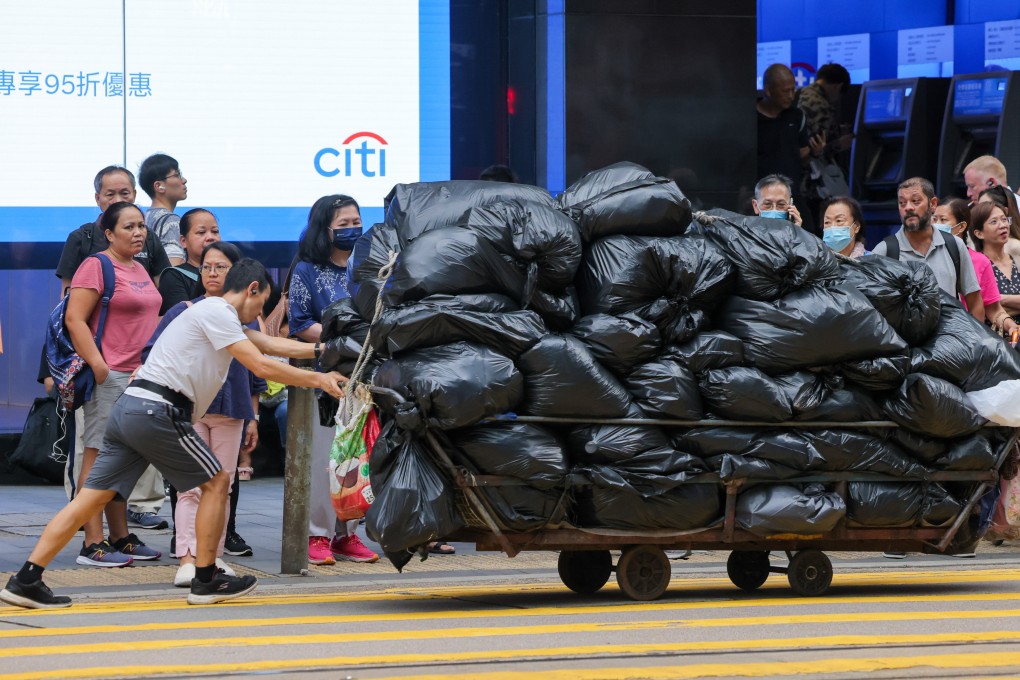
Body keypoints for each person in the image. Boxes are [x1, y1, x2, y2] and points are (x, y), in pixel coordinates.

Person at [0, 259, 347, 609]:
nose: (260, 312)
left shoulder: (216, 316)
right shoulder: (218, 313)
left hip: (131, 408)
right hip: (158, 411)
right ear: (252, 289)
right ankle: (207, 578)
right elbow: (259, 364)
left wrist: (326, 351)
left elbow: (271, 346)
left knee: (90, 499)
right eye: (261, 303)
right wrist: (320, 379)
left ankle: (26, 579)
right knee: (215, 482)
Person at [54, 165, 171, 531]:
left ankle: (120, 537)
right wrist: (99, 365)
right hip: (110, 376)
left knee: (127, 459)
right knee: (98, 457)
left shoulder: (138, 268)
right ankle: (92, 542)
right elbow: (74, 319)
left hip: (141, 375)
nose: (138, 233)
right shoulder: (96, 264)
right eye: (128, 227)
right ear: (108, 232)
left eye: (141, 226)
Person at [145, 242, 266, 587]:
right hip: (192, 409)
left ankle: (212, 558)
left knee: (223, 485)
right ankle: (186, 557)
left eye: (221, 267)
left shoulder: (247, 315)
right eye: (207, 267)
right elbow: (153, 354)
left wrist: (254, 416)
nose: (212, 273)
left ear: (237, 274)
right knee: (190, 487)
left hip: (233, 410)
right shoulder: (183, 310)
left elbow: (256, 375)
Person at [288, 195, 381, 565]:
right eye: (342, 224)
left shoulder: (368, 266)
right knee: (324, 456)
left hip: (363, 376)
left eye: (355, 221)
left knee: (356, 455)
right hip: (322, 375)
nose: (351, 229)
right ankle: (317, 534)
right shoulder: (306, 269)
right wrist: (339, 343)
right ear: (324, 227)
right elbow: (299, 324)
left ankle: (348, 533)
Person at [871, 177, 982, 314]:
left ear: (933, 204)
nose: (908, 207)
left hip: (951, 332)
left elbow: (975, 301)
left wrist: (972, 335)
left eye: (915, 201)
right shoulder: (885, 251)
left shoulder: (954, 245)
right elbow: (872, 308)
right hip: (901, 335)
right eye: (902, 203)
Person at [934, 198, 1018, 334]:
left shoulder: (979, 261)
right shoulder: (925, 256)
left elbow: (993, 309)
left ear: (961, 227)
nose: (936, 225)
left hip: (966, 337)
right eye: (934, 219)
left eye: (943, 220)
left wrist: (1011, 326)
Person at [757, 64, 821, 234]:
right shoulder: (751, 117)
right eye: (786, 91)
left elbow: (800, 155)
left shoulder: (796, 116)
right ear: (769, 90)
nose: (791, 96)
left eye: (793, 90)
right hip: (763, 196)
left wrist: (814, 151)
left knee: (808, 236)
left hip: (792, 193)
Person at [157, 209, 221, 315]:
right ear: (183, 241)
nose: (210, 237)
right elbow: (181, 321)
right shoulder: (174, 276)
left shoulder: (232, 272)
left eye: (215, 232)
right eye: (201, 232)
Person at [969, 201, 1020, 326]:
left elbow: (990, 306)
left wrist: (1001, 299)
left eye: (1004, 219)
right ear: (979, 233)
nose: (1003, 225)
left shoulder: (1016, 258)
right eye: (994, 222)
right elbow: (981, 309)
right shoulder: (977, 264)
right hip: (996, 339)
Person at [139, 153, 188, 266]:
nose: (184, 180)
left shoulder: (143, 218)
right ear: (159, 186)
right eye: (177, 175)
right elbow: (172, 272)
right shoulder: (171, 221)